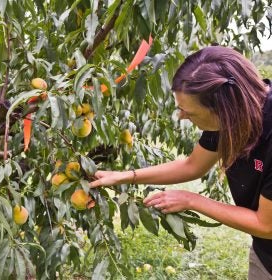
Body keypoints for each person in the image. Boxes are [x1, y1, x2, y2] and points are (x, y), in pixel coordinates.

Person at [89, 46, 272, 279]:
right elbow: (192, 165)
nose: (182, 117)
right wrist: (124, 176)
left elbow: (266, 225)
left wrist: (191, 199)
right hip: (264, 257)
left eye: (190, 112)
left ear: (223, 110)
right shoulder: (232, 116)